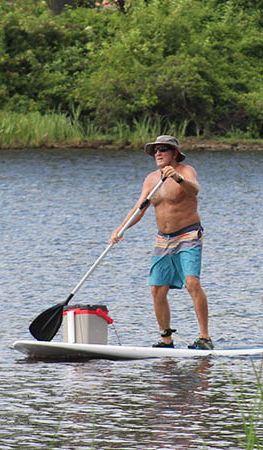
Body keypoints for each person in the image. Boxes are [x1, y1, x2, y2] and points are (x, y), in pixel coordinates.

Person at [109, 135, 213, 350]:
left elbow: (195, 189)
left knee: (192, 283)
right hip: (163, 238)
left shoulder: (186, 171)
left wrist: (177, 178)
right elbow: (139, 209)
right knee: (157, 289)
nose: (158, 153)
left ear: (174, 153)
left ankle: (205, 338)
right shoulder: (150, 179)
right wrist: (120, 229)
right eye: (155, 150)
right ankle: (166, 339)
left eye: (163, 149)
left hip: (188, 234)